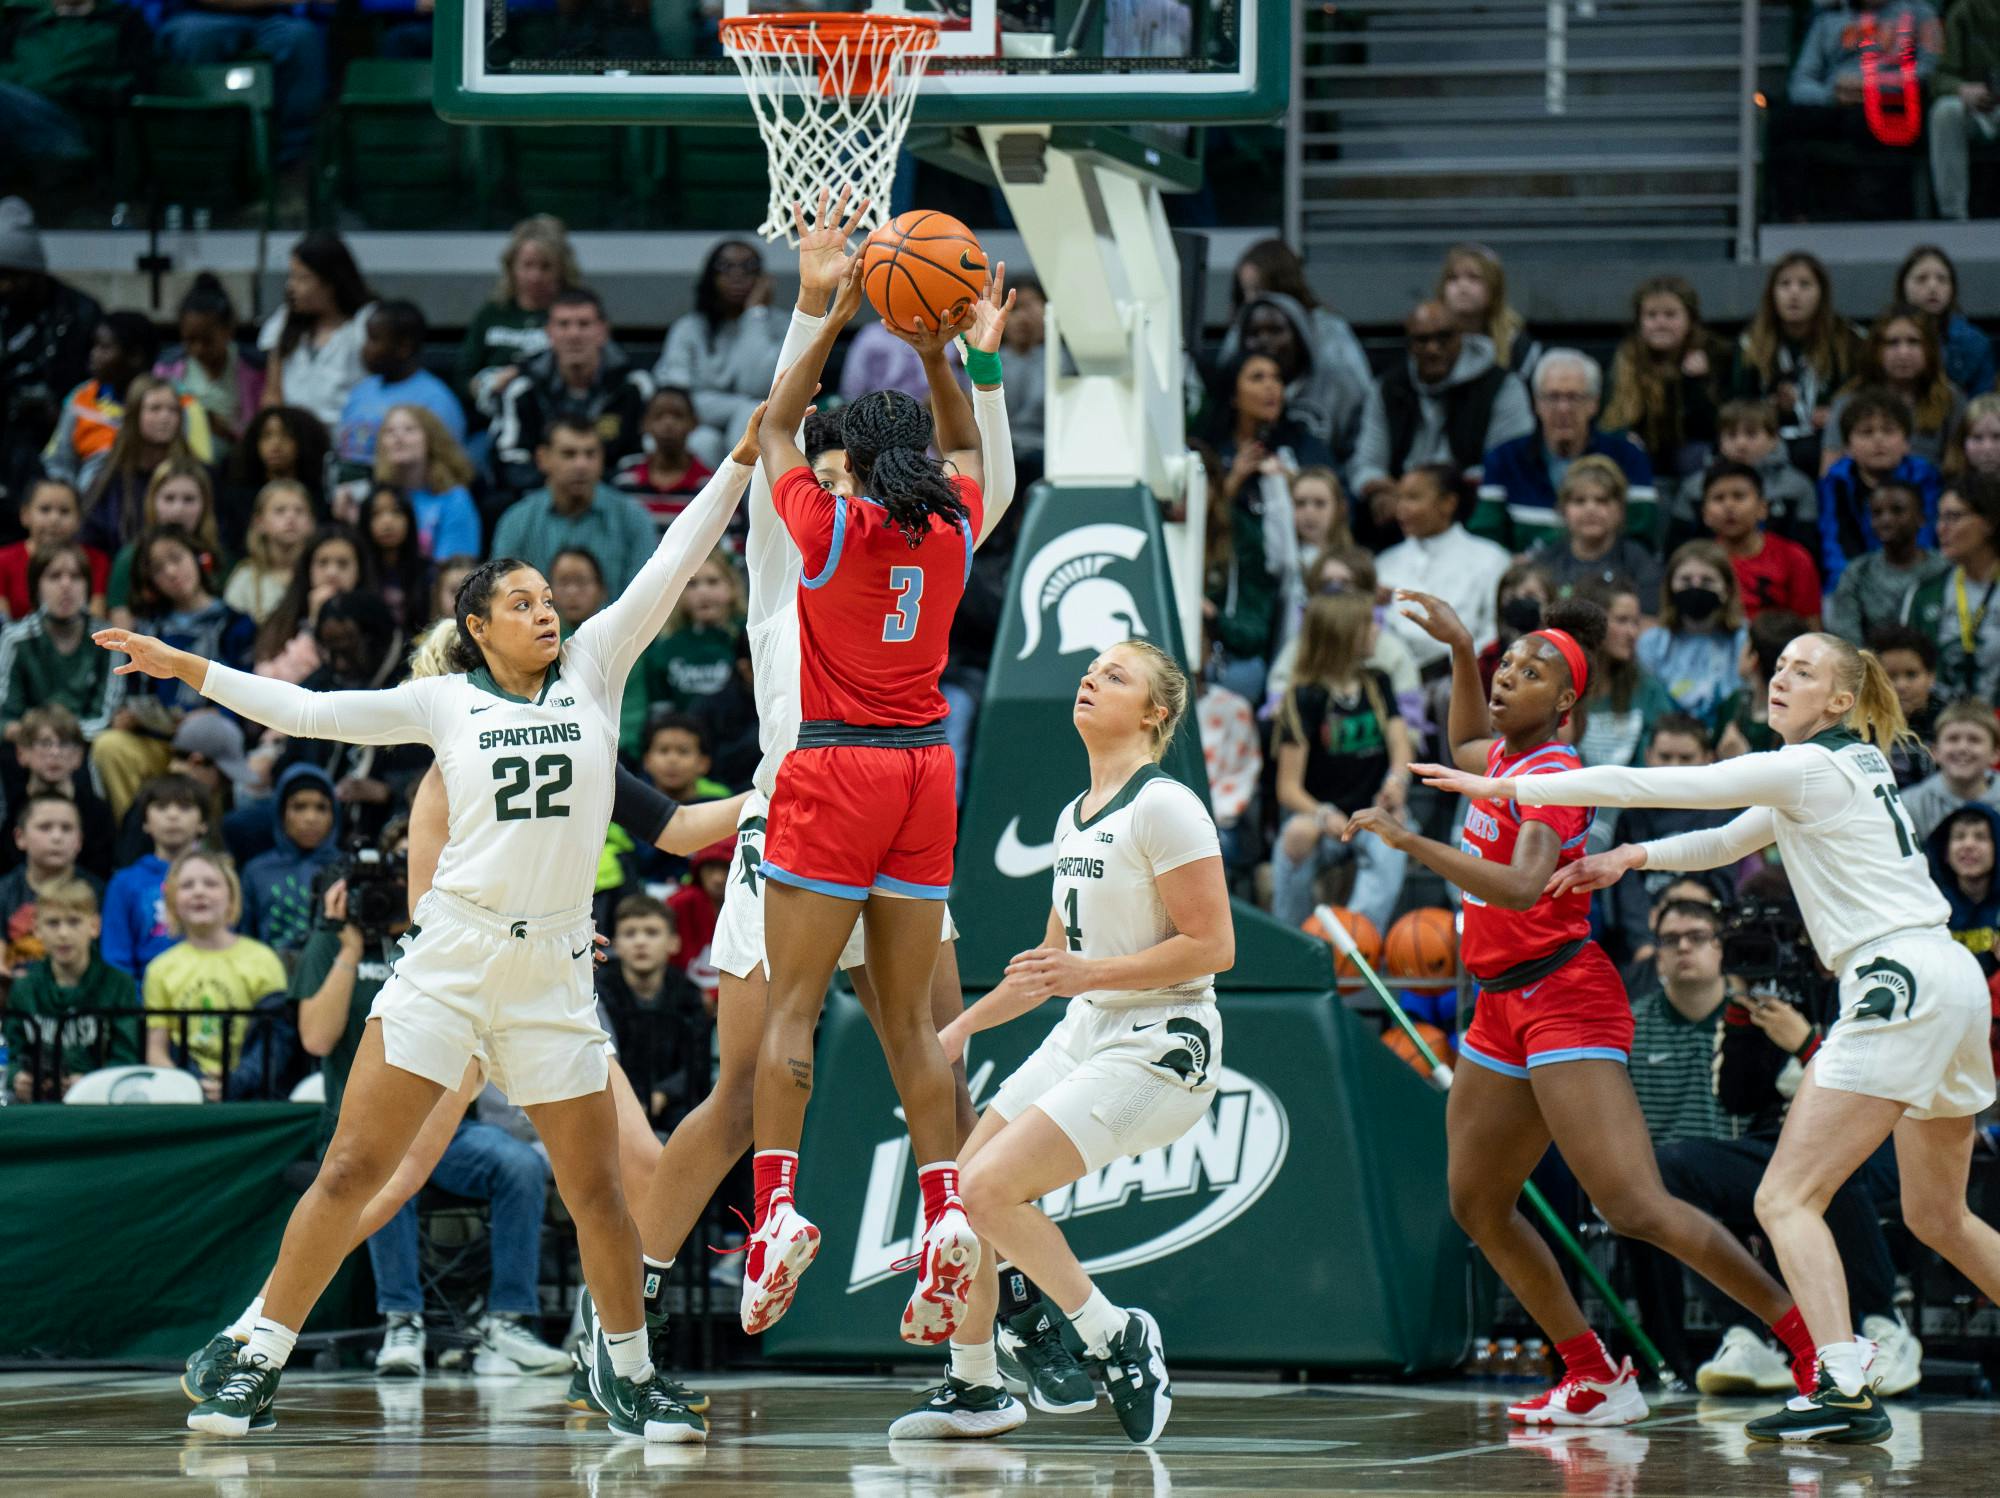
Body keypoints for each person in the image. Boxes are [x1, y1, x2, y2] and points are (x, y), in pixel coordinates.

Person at [99, 396, 763, 1445]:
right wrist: (192, 670)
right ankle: (256, 1349)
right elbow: (310, 711)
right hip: (448, 960)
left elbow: (674, 562)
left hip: (551, 970)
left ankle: (625, 1371)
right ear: (477, 628)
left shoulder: (591, 672)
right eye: (524, 602)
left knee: (594, 1190)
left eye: (550, 598)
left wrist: (737, 461)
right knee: (355, 1169)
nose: (548, 611)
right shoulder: (444, 701)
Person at [1420, 626, 2000, 1442]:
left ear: (1840, 699)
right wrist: (1631, 860)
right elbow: (1729, 839)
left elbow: (1675, 783)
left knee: (1785, 1195)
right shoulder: (1844, 769)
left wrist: (1517, 793)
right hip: (1951, 982)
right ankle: (1830, 1372)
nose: (1780, 679)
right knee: (1941, 1218)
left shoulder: (1807, 764)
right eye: (1779, 666)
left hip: (1895, 978)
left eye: (1804, 671)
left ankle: (1838, 1379)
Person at [177, 616, 751, 1414]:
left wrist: (771, 793)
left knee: (641, 1170)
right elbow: (423, 909)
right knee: (386, 1177)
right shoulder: (446, 776)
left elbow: (680, 828)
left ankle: (610, 1339)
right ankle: (252, 1330)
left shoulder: (575, 742)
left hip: (552, 989)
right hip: (460, 991)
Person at [1350, 589, 1814, 1428]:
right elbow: (1461, 744)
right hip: (1500, 1004)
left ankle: (1808, 1341)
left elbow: (1526, 886)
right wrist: (1460, 646)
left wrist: (1415, 842)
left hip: (1565, 993)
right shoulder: (1502, 759)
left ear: (1565, 703)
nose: (1505, 679)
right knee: (1479, 1203)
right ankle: (1593, 1374)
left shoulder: (1556, 777)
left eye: (1530, 673)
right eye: (1505, 665)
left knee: (1634, 1204)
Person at [736, 191, 991, 1348]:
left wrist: (832, 312)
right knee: (909, 1027)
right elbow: (973, 446)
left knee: (793, 1007)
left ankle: (777, 1209)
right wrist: (940, 354)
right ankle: (944, 1214)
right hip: (924, 776)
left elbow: (775, 429)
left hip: (835, 771)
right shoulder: (953, 532)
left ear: (855, 465)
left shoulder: (827, 529)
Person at [896, 641, 1230, 1446]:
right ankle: (975, 1387)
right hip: (1086, 1027)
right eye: (1090, 669)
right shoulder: (1073, 813)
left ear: (1156, 714)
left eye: (1115, 676)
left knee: (982, 1192)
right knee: (959, 1203)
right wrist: (957, 1032)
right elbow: (1049, 971)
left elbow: (1214, 945)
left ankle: (1113, 1334)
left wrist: (1091, 974)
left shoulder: (1165, 805)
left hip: (1162, 1040)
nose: (1090, 678)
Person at [292, 844, 572, 1378]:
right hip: (358, 1132)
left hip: (449, 1130)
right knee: (382, 1169)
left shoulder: (445, 938)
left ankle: (507, 1322)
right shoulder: (329, 945)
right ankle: (402, 1320)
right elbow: (315, 1036)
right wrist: (349, 945)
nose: (391, 892)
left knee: (521, 1165)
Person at [1269, 590, 1412, 933]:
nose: (1377, 630)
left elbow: (1400, 744)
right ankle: (1294, 942)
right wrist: (1322, 814)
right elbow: (1287, 788)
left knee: (1390, 837)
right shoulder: (1304, 697)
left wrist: (1396, 783)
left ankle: (1354, 942)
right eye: (1368, 624)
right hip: (1324, 814)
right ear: (1342, 634)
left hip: (1372, 811)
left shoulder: (1378, 682)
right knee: (1296, 834)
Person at [1351, 300, 1533, 547]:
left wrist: (1434, 496)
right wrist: (1380, 490)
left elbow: (1509, 462)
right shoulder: (1387, 388)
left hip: (1475, 507)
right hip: (1399, 512)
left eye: (1443, 338)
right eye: (1422, 340)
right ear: (1409, 344)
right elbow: (1366, 463)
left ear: (1462, 337)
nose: (1433, 349)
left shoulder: (1502, 386)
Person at [1767, 1, 1942, 222]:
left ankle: (1873, 218)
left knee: (1863, 124)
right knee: (1784, 122)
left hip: (1893, 102)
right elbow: (1801, 81)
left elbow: (1931, 69)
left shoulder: (1919, 13)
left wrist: (1875, 85)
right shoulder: (1828, 20)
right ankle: (1795, 219)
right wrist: (1831, 94)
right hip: (1836, 102)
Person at [1473, 349, 1657, 550]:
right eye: (1552, 397)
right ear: (1536, 404)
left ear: (1594, 403)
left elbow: (1641, 539)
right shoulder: (1504, 459)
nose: (1563, 409)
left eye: (1574, 397)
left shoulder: (1628, 457)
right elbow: (1485, 540)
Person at [141, 848, 287, 1097]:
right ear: (172, 901)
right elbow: (157, 1052)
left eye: (211, 884)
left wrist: (237, 1081)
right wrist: (190, 1085)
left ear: (231, 897)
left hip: (251, 1094)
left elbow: (275, 1043)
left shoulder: (264, 960)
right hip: (185, 1096)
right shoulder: (159, 969)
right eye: (187, 885)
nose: (199, 892)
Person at [1601, 276, 1730, 525]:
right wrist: (1624, 435)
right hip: (1648, 458)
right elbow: (1610, 420)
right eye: (1651, 315)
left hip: (1693, 458)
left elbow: (1714, 426)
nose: (1660, 323)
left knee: (1693, 455)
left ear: (1690, 320)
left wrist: (1695, 383)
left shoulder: (1716, 355)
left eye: (1670, 315)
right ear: (1639, 322)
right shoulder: (1626, 360)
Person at [3, 877, 139, 1103]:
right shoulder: (23, 989)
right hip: (38, 1107)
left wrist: (92, 1083)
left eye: (74, 922)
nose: (63, 933)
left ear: (94, 926)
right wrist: (17, 1078)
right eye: (53, 923)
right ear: (37, 929)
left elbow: (126, 1058)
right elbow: (12, 1053)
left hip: (100, 1108)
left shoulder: (118, 984)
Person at [655, 239, 784, 469]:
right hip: (699, 426)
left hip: (765, 426)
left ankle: (750, 506)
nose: (737, 275)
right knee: (704, 442)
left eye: (748, 267)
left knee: (751, 417)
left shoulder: (778, 325)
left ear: (763, 279)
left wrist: (755, 315)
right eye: (725, 267)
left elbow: (757, 385)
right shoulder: (689, 328)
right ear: (709, 277)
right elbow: (678, 400)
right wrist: (743, 406)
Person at [1729, 252, 1861, 477]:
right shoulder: (1750, 343)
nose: (1794, 293)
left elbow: (1860, 394)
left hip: (1826, 440)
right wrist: (1770, 408)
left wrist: (1836, 415)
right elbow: (1737, 404)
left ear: (1822, 293)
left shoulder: (1847, 340)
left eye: (1805, 284)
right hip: (1768, 439)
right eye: (1784, 284)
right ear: (1772, 294)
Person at [491, 416, 656, 595]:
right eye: (569, 454)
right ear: (543, 459)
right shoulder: (516, 522)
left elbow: (644, 598)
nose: (581, 465)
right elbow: (504, 598)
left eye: (590, 454)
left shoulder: (633, 519)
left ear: (602, 459)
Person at [1374, 465, 1511, 677]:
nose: (1401, 508)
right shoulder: (1384, 563)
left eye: (1413, 498)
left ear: (1448, 503)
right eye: (1399, 498)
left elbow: (1494, 631)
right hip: (1394, 680)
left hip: (1465, 679)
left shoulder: (1492, 559)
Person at [157, 0, 328, 167]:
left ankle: (292, 162)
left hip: (272, 18)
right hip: (198, 16)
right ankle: (202, 157)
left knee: (302, 37)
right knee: (195, 38)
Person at [1216, 290, 1364, 464]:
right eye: (1257, 378)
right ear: (1233, 394)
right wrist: (1231, 483)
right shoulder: (1212, 449)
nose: (1270, 386)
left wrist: (1294, 483)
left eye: (1276, 378)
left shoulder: (1306, 445)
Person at [459, 215, 579, 421]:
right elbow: (463, 376)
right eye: (527, 265)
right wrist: (486, 387)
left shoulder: (575, 314)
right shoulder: (492, 313)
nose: (535, 276)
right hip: (493, 418)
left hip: (557, 418)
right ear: (511, 267)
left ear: (562, 269)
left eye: (545, 267)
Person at [256, 232, 375, 431]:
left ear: (331, 282)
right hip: (297, 444)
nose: (291, 286)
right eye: (291, 276)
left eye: (303, 278)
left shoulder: (367, 323)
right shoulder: (283, 321)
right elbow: (272, 393)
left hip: (349, 439)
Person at [1825, 308, 1966, 473]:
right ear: (1876, 350)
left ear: (1929, 349)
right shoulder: (1850, 400)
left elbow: (1958, 468)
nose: (1903, 352)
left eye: (1913, 342)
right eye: (1892, 343)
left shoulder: (1950, 398)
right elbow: (1829, 470)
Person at [0, 543, 120, 738]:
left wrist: (57, 739)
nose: (66, 585)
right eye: (54, 576)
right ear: (36, 586)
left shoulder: (109, 640)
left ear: (88, 586)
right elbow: (5, 717)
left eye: (75, 576)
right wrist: (41, 740)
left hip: (87, 745)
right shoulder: (15, 638)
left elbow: (105, 717)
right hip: (28, 749)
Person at [77, 375, 204, 552]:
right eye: (155, 409)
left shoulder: (198, 476)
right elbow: (91, 544)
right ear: (134, 415)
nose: (165, 417)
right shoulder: (110, 480)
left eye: (173, 410)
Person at [334, 301, 465, 469]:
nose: (364, 348)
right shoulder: (362, 389)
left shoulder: (435, 401)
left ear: (404, 347)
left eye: (373, 339)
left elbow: (446, 470)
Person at [1904, 475, 2000, 700]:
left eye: (1954, 517)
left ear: (1989, 523)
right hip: (1942, 726)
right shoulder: (1925, 593)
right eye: (1940, 518)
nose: (1941, 528)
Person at [1640, 540, 1751, 732]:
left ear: (1727, 590)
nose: (1695, 587)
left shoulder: (1745, 641)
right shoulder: (1650, 644)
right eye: (1686, 580)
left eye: (1707, 581)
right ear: (1670, 587)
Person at [1526, 457, 1663, 612]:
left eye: (1602, 500)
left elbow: (1649, 627)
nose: (1590, 509)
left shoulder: (1639, 563)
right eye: (1579, 501)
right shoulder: (1545, 564)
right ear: (1563, 510)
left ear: (1620, 509)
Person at [1574, 577, 1679, 777]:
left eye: (1636, 622)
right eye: (1622, 620)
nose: (1633, 633)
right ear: (1591, 624)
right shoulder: (1561, 687)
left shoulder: (1647, 689)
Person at [1825, 481, 1947, 645]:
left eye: (1897, 511)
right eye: (1877, 513)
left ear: (1921, 518)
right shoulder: (1857, 572)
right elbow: (1847, 639)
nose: (1886, 520)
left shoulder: (1944, 569)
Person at [154, 274, 265, 454]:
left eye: (207, 341)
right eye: (190, 340)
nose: (198, 349)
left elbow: (261, 428)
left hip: (238, 458)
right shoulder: (167, 368)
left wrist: (226, 431)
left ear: (228, 331)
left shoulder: (254, 369)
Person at [1700, 461, 1821, 625]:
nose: (1729, 506)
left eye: (1739, 496)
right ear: (1705, 514)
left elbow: (1810, 628)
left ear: (1762, 508)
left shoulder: (1794, 557)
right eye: (1718, 498)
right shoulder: (1698, 562)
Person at [237, 764, 338, 957]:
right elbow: (244, 938)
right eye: (299, 807)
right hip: (270, 978)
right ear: (281, 812)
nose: (311, 818)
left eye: (321, 807)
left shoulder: (348, 870)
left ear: (334, 814)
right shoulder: (257, 871)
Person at [0, 791, 97, 975]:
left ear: (79, 840)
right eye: (45, 827)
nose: (57, 837)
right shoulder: (3, 892)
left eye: (66, 828)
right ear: (20, 837)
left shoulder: (99, 892)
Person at [370, 405, 479, 563]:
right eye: (389, 431)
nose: (398, 437)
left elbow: (456, 570)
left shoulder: (454, 498)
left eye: (409, 429)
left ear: (430, 439)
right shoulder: (378, 498)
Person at [1928, 0, 2000, 223]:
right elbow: (1938, 77)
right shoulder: (1965, 11)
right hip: (1978, 106)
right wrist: (1962, 89)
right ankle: (1953, 216)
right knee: (1945, 112)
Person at [1717, 399, 1820, 551]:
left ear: (1774, 439)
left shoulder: (1798, 486)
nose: (1740, 444)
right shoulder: (1698, 487)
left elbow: (1807, 547)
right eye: (1731, 435)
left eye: (1751, 434)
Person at [1895, 245, 1994, 398]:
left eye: (1942, 279)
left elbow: (1983, 402)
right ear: (1903, 286)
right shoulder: (1884, 337)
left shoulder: (1974, 342)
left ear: (1952, 289)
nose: (1933, 287)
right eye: (1921, 279)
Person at [0, 476, 105, 619]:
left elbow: (96, 619)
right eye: (45, 509)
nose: (54, 519)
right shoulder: (3, 561)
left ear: (79, 519)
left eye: (64, 511)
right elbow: (3, 624)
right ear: (25, 515)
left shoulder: (96, 560)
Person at [613, 386, 715, 531]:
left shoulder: (710, 486)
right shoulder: (625, 483)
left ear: (694, 423)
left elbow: (731, 546)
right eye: (659, 415)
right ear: (645, 423)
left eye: (678, 415)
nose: (668, 423)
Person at [1900, 698, 2000, 839]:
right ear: (1935, 752)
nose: (1962, 748)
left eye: (1974, 740)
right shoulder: (1911, 805)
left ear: (1995, 753)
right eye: (1953, 739)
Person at [1435, 241, 1539, 377]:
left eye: (1474, 277)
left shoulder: (1516, 344)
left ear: (1494, 288)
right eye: (1453, 278)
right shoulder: (1429, 340)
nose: (1462, 286)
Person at [223, 482, 315, 625]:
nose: (291, 517)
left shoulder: (319, 574)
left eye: (299, 511)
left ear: (310, 523)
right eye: (280, 510)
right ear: (259, 522)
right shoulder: (245, 578)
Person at [1931, 803, 2000, 975]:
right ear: (1945, 852)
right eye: (1959, 837)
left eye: (1981, 837)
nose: (1968, 845)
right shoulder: (1930, 907)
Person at [358, 484, 431, 636]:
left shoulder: (428, 571)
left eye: (396, 512)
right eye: (376, 514)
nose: (387, 522)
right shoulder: (357, 571)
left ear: (409, 519)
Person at [1946, 393, 2000, 484]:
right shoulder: (1951, 495)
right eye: (1977, 437)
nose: (1987, 448)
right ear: (1962, 441)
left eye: (1997, 436)